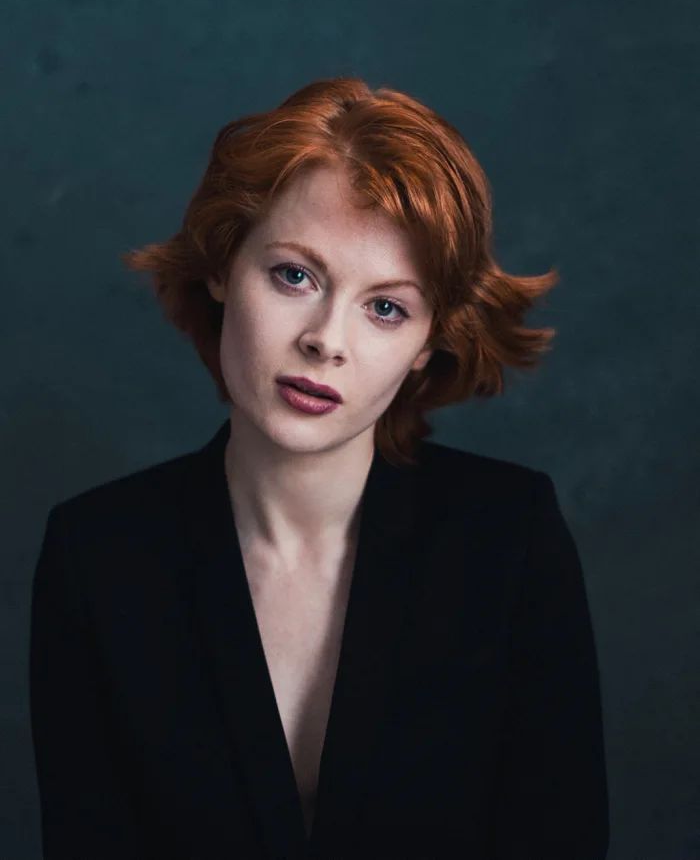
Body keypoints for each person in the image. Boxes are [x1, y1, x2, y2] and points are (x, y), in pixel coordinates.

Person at [29, 76, 610, 859]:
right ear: (221, 265)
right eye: (294, 275)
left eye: (386, 307)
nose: (326, 339)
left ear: (428, 345)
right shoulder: (96, 555)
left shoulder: (511, 539)